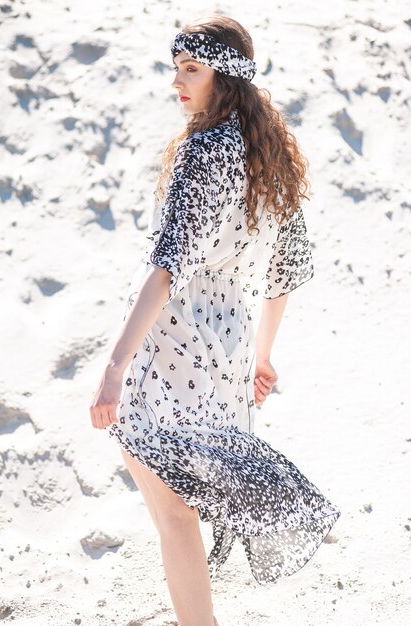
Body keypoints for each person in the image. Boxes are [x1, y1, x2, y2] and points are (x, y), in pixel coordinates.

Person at [89, 15, 341, 626]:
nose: (177, 82)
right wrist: (262, 354)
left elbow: (167, 266)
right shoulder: (269, 153)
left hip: (173, 342)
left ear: (225, 76)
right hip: (227, 351)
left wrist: (116, 365)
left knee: (171, 508)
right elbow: (284, 271)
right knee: (179, 504)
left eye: (192, 70)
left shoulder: (205, 151)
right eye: (176, 68)